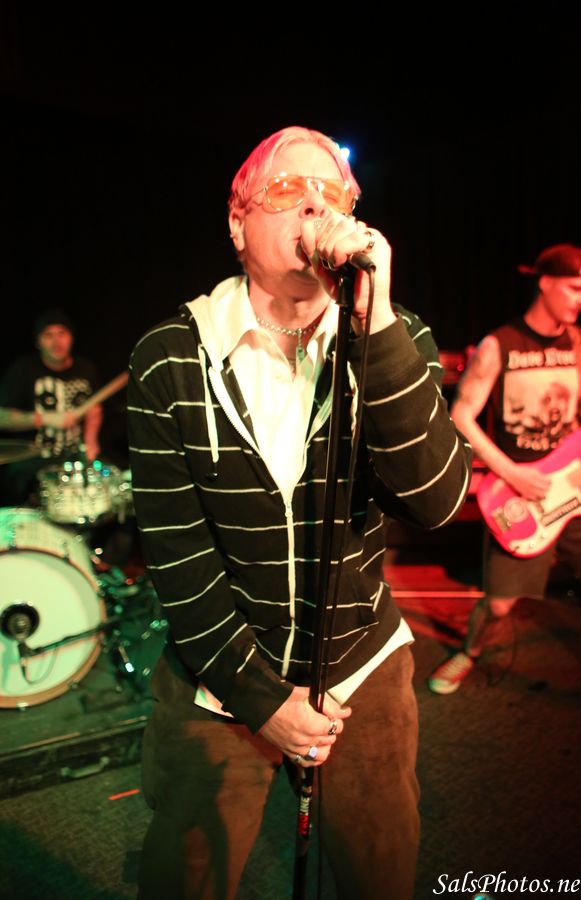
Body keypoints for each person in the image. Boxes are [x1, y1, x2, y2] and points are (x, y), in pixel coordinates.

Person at [128, 126, 472, 900]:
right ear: (237, 222)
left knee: (380, 867)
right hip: (222, 675)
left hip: (362, 662)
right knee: (188, 871)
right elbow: (179, 557)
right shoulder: (170, 357)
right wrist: (261, 700)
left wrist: (376, 325)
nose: (316, 205)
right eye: (287, 191)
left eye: (334, 194)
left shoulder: (397, 335)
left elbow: (436, 500)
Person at [429, 243, 581, 694]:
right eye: (575, 288)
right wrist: (511, 472)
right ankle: (470, 651)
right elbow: (461, 415)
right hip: (521, 494)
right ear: (545, 282)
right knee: (500, 606)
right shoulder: (499, 345)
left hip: (580, 489)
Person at [0, 309, 102, 505]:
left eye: (62, 333)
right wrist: (44, 418)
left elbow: (94, 408)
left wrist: (91, 440)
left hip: (75, 459)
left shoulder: (86, 368)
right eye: (48, 335)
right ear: (38, 342)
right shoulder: (22, 370)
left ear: (71, 337)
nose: (57, 342)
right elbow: (2, 417)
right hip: (34, 462)